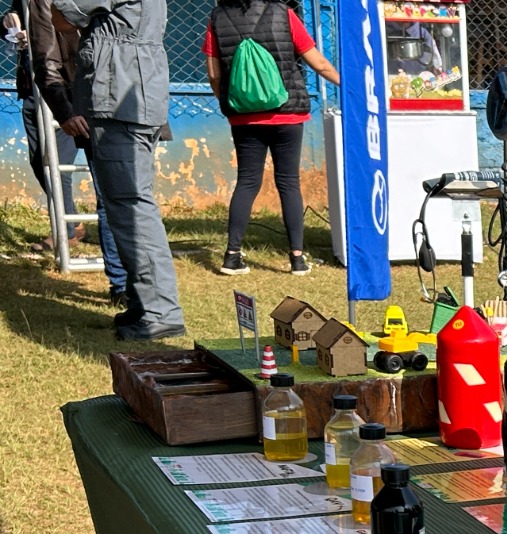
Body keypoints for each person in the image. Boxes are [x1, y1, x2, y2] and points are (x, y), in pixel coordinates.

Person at [54, 0, 186, 341]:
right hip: (130, 94)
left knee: (132, 207)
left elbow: (63, 17)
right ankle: (145, 303)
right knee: (128, 207)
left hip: (119, 99)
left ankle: (160, 312)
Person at [203, 0, 338, 276]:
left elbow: (214, 74)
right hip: (287, 113)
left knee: (247, 181)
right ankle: (297, 259)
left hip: (244, 117)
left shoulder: (217, 18)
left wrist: (229, 101)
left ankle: (232, 256)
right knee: (288, 182)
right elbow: (319, 63)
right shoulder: (283, 13)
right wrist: (349, 86)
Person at [30, 0, 128, 304]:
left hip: (131, 102)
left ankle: (139, 282)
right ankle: (122, 285)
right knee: (108, 196)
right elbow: (46, 60)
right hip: (87, 106)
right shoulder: (45, 4)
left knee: (131, 197)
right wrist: (65, 111)